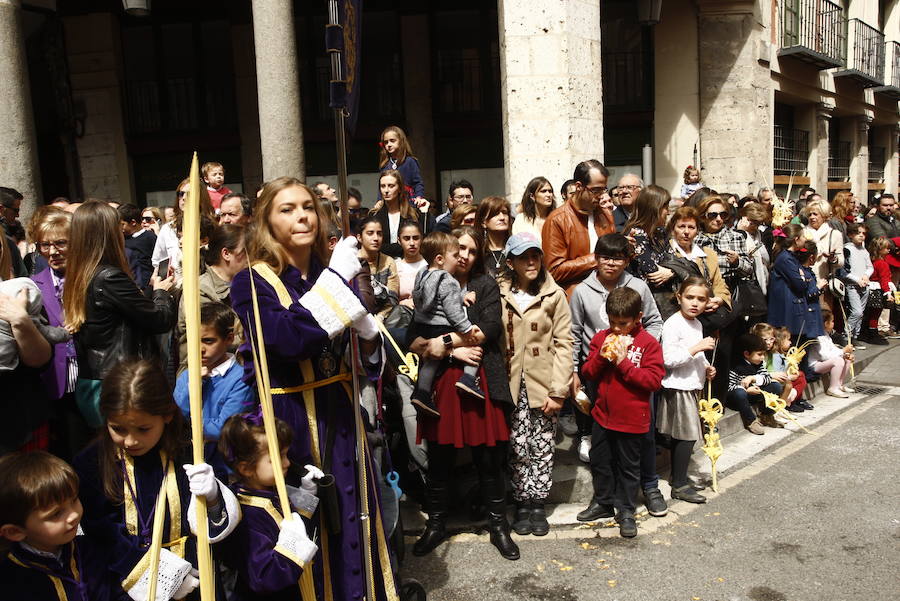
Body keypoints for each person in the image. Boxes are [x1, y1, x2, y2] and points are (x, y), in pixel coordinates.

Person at [229, 177, 399, 600]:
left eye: (307, 206)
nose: (302, 215)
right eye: (286, 208)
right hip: (292, 424)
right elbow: (286, 340)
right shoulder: (252, 282)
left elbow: (368, 365)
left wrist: (367, 336)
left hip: (341, 416)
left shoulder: (329, 272)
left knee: (354, 521)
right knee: (311, 529)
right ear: (266, 221)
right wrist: (336, 285)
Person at [74, 359, 239, 601]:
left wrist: (214, 496)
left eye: (143, 429)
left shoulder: (190, 450)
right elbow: (102, 532)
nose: (130, 441)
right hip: (126, 581)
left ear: (168, 416)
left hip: (193, 576)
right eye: (118, 429)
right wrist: (163, 576)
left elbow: (210, 523)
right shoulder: (92, 462)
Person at [409, 225, 516, 561]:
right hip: (444, 382)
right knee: (440, 458)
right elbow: (412, 336)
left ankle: (499, 526)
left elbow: (490, 327)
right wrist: (451, 351)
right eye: (461, 249)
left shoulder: (484, 285)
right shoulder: (432, 281)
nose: (466, 256)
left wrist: (443, 342)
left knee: (489, 458)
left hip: (481, 378)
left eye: (471, 250)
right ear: (448, 253)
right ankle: (437, 524)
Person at [569, 233, 666, 516]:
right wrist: (576, 369)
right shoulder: (582, 291)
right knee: (603, 443)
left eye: (618, 258)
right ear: (596, 259)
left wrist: (638, 348)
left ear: (627, 260)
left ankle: (648, 488)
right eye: (606, 257)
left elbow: (654, 321)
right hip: (599, 372)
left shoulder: (638, 286)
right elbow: (574, 334)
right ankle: (604, 499)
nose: (611, 263)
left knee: (641, 438)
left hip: (634, 372)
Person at [63, 201, 176, 427]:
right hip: (117, 384)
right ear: (108, 234)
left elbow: (126, 312)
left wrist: (151, 289)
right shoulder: (108, 277)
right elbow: (159, 319)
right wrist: (162, 293)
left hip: (93, 381)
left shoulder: (80, 274)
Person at [498, 233, 573, 540]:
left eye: (535, 255)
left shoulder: (553, 295)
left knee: (541, 445)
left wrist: (558, 391)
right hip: (512, 383)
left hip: (543, 383)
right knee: (517, 446)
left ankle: (538, 503)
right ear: (511, 261)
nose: (530, 261)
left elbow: (565, 344)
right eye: (523, 256)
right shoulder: (500, 292)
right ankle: (521, 501)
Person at [579, 286, 664, 537]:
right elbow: (588, 373)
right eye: (613, 322)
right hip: (603, 416)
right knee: (601, 462)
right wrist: (604, 357)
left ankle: (626, 509)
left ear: (638, 318)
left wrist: (623, 362)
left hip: (633, 420)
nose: (617, 329)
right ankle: (603, 502)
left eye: (624, 323)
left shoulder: (648, 344)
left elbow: (653, 381)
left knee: (629, 468)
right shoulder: (601, 337)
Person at [216, 412, 322, 601]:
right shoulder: (246, 515)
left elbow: (290, 523)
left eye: (286, 454)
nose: (287, 463)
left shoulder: (270, 492)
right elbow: (264, 577)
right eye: (278, 457)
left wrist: (306, 493)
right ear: (246, 468)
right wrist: (291, 545)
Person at [0, 451, 124, 601]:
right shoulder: (10, 582)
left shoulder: (91, 550)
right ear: (14, 531)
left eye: (74, 500)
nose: (73, 515)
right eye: (56, 514)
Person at [29, 208, 88, 458]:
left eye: (61, 243)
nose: (52, 252)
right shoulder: (34, 284)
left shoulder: (92, 277)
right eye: (45, 245)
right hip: (56, 382)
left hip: (93, 377)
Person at [410, 231, 483, 415]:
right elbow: (452, 311)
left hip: (423, 326)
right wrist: (466, 328)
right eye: (456, 255)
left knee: (431, 362)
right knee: (475, 346)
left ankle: (422, 392)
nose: (460, 259)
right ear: (440, 259)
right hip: (442, 327)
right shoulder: (448, 280)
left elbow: (436, 295)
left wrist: (462, 296)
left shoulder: (423, 274)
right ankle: (468, 378)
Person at [658, 277, 716, 503]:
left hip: (692, 385)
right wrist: (696, 348)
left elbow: (698, 356)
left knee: (685, 436)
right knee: (687, 435)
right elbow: (668, 359)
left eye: (701, 299)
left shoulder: (697, 324)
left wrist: (707, 368)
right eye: (690, 297)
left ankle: (678, 477)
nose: (695, 303)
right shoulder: (673, 323)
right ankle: (680, 484)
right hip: (678, 386)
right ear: (679, 297)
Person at [174, 302, 253, 442]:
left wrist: (187, 427)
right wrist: (192, 386)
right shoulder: (188, 375)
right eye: (193, 341)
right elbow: (175, 415)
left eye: (208, 341)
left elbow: (225, 429)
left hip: (223, 460)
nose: (200, 349)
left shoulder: (241, 379)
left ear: (229, 338)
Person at [176, 224, 247, 375]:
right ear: (226, 254)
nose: (252, 259)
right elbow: (212, 338)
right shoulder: (200, 290)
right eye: (246, 252)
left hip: (233, 369)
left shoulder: (246, 284)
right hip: (205, 376)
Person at [542, 159, 615, 296]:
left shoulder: (605, 214)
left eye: (604, 189)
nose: (602, 196)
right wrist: (597, 259)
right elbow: (554, 271)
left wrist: (623, 249)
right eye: (595, 190)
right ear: (579, 186)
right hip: (574, 298)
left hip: (608, 293)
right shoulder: (557, 219)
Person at [766, 224, 825, 341]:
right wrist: (803, 279)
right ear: (796, 239)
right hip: (787, 309)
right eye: (803, 236)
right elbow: (800, 284)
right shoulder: (785, 259)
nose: (805, 239)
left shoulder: (791, 258)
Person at [151, 178, 215, 275]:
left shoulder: (212, 226)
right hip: (176, 285)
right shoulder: (168, 229)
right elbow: (158, 261)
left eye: (189, 194)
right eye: (181, 194)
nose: (184, 198)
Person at [725, 334, 782, 435]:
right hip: (739, 397)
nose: (762, 357)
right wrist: (746, 389)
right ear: (747, 354)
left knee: (776, 386)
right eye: (759, 354)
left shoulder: (758, 363)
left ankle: (766, 415)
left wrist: (753, 378)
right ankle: (751, 421)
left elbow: (767, 377)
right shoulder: (735, 366)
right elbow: (729, 386)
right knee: (739, 393)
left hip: (754, 393)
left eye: (763, 354)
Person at [371, 169, 434, 258]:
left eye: (391, 186)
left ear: (400, 188)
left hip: (409, 264)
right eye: (383, 186)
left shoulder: (414, 214)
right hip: (382, 264)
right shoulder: (375, 215)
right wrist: (401, 247)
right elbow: (374, 246)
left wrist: (425, 214)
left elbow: (422, 243)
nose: (386, 190)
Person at [356, 216, 399, 320]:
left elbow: (392, 298)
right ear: (359, 237)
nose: (376, 238)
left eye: (379, 234)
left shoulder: (388, 262)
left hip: (382, 319)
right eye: (370, 233)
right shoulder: (352, 262)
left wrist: (380, 316)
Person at [809, 309, 855, 398]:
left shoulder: (826, 335)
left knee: (846, 358)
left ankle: (839, 384)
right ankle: (833, 388)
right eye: (832, 321)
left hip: (822, 363)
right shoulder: (818, 337)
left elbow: (833, 349)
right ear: (826, 323)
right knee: (838, 361)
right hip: (815, 365)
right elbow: (824, 356)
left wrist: (844, 354)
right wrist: (843, 351)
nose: (833, 323)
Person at [803, 200, 844, 299]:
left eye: (815, 214)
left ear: (824, 215)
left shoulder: (834, 234)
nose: (812, 217)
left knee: (824, 313)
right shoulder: (802, 233)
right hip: (805, 283)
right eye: (810, 214)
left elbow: (841, 262)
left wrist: (832, 258)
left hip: (825, 283)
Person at [841, 223, 873, 346]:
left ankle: (855, 336)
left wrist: (866, 275)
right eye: (858, 233)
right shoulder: (847, 249)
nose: (861, 236)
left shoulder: (864, 250)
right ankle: (846, 335)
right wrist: (856, 279)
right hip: (852, 285)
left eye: (864, 233)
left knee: (861, 313)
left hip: (864, 285)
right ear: (850, 234)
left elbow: (870, 267)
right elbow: (844, 270)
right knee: (856, 312)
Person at [378, 125, 425, 200]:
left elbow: (418, 183)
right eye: (386, 142)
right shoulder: (385, 164)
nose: (389, 144)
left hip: (407, 202)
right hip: (390, 204)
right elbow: (381, 187)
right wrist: (379, 201)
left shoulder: (410, 161)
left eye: (392, 141)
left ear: (401, 141)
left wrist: (419, 197)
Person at [118, 204, 156, 294]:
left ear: (133, 222)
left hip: (147, 285)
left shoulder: (150, 237)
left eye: (122, 224)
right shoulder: (121, 239)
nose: (120, 228)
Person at [773, 326, 811, 411]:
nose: (790, 342)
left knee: (801, 375)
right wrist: (789, 376)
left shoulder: (781, 355)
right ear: (780, 341)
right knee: (800, 377)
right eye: (788, 340)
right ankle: (789, 401)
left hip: (784, 380)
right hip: (781, 383)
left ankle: (796, 399)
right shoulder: (775, 357)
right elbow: (779, 373)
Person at [865, 237, 894, 342]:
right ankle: (872, 334)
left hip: (872, 289)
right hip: (878, 290)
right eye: (886, 248)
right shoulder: (882, 263)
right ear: (879, 249)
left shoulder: (873, 262)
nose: (889, 250)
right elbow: (884, 279)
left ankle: (869, 332)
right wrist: (888, 293)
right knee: (876, 313)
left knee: (871, 313)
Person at [476, 195, 513, 278]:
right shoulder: (478, 252)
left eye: (505, 213)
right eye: (495, 214)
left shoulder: (515, 249)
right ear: (483, 222)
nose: (502, 218)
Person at [512, 177, 556, 242]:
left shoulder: (557, 219)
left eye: (550, 191)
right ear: (532, 196)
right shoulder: (521, 220)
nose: (548, 195)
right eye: (543, 191)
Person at [396, 220, 426, 308]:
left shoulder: (430, 265)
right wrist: (402, 303)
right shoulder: (394, 267)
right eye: (407, 238)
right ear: (399, 240)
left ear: (422, 239)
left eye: (416, 238)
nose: (412, 243)